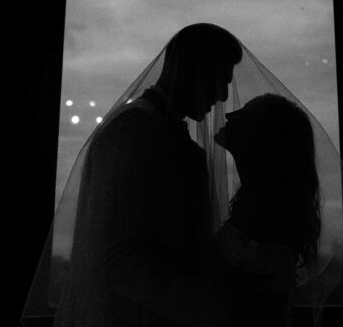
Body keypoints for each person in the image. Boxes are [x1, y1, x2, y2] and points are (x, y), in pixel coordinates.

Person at [54, 23, 242, 327]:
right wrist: (206, 308)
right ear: (193, 68)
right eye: (220, 79)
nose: (222, 95)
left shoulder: (162, 134)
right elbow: (116, 258)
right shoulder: (132, 132)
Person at [212, 93, 321, 327]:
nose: (230, 115)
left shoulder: (265, 216)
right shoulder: (264, 205)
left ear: (261, 139)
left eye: (245, 112)